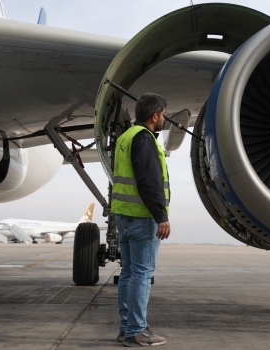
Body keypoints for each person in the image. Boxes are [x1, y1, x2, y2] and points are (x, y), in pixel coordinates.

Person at [111, 92, 171, 347]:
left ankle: (126, 328)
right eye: (164, 115)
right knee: (142, 274)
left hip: (124, 216)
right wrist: (161, 216)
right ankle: (137, 330)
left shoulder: (126, 137)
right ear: (155, 115)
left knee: (128, 272)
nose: (165, 119)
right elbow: (149, 181)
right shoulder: (145, 139)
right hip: (141, 217)